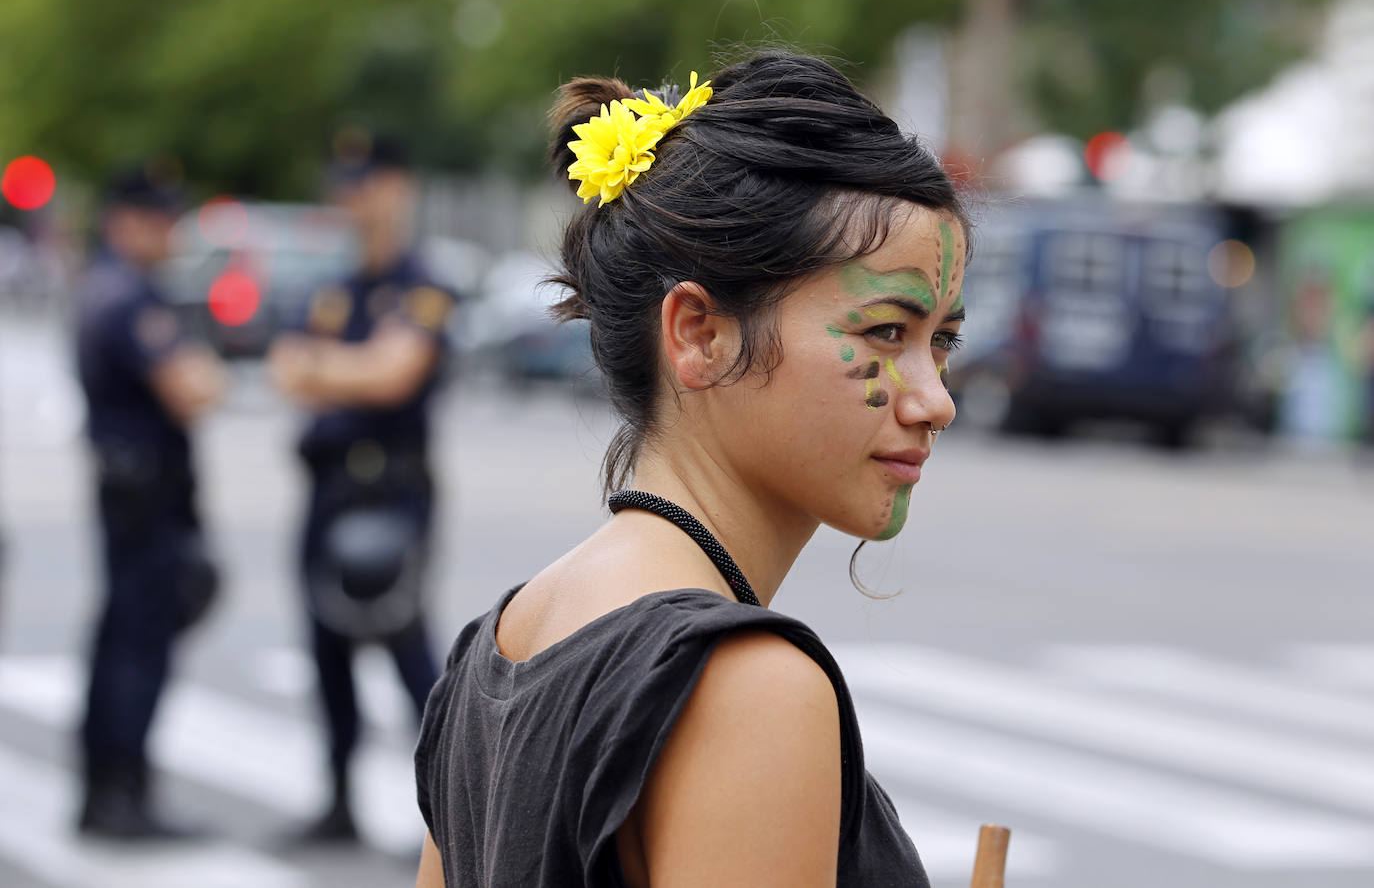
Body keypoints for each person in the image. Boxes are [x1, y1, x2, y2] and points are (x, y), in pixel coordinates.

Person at [413, 52, 968, 887]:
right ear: (701, 334)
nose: (935, 400)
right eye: (888, 332)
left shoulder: (496, 646)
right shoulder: (748, 686)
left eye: (944, 343)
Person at [268, 136, 455, 842]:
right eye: (347, 184)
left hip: (394, 488)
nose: (355, 198)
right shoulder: (334, 287)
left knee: (405, 643)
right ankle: (338, 798)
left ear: (399, 187)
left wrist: (331, 367)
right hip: (328, 484)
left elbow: (394, 375)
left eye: (369, 182)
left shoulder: (423, 284)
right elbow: (285, 369)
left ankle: (449, 803)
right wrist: (351, 364)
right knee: (325, 646)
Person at [75, 164, 226, 838]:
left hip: (130, 492)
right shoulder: (128, 298)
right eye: (161, 219)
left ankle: (105, 792)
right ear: (127, 220)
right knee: (137, 649)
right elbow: (190, 389)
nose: (171, 232)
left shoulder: (105, 287)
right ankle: (121, 799)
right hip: (146, 500)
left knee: (120, 641)